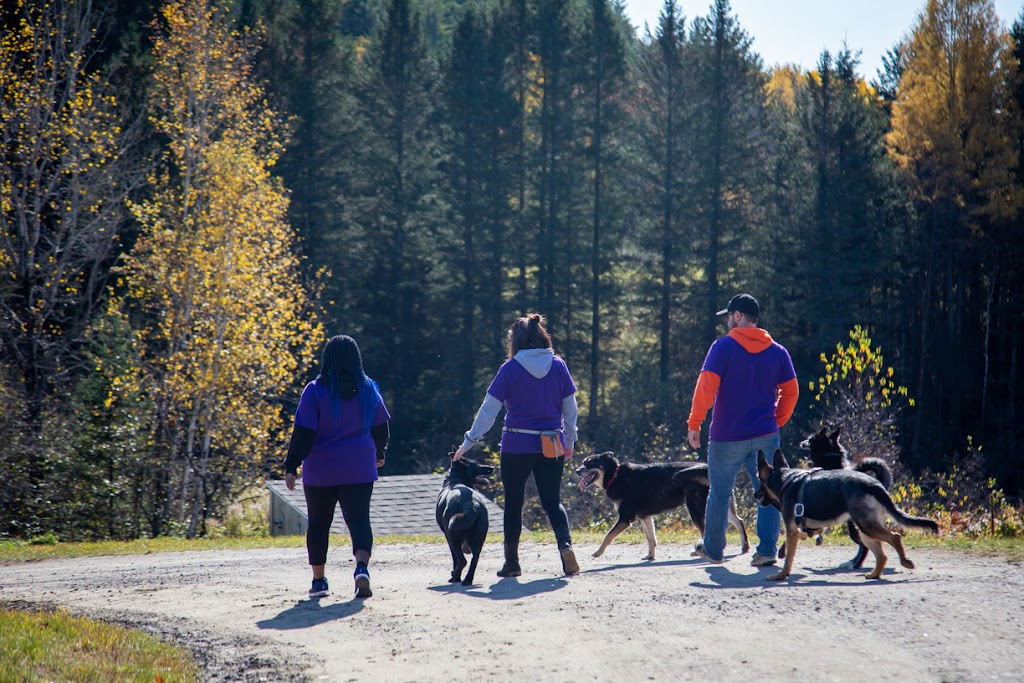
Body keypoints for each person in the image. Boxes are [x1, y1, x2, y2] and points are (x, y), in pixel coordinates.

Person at [453, 313, 580, 577]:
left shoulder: (509, 369)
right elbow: (571, 408)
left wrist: (469, 441)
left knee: (513, 503)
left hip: (516, 444)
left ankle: (512, 563)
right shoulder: (559, 366)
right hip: (552, 443)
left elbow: (488, 410)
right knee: (552, 501)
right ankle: (565, 545)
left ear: (516, 342)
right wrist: (569, 440)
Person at [686, 294, 798, 566]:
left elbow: (706, 388)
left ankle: (714, 550)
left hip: (727, 436)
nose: (726, 321)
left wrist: (695, 422)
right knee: (769, 492)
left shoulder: (722, 348)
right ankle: (767, 551)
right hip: (765, 434)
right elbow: (791, 391)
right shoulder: (777, 351)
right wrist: (777, 420)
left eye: (728, 316)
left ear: (738, 316)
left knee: (720, 493)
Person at [284, 335, 390, 598]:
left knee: (319, 524)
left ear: (326, 359)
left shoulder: (315, 390)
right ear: (356, 358)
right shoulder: (368, 389)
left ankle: (319, 582)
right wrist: (380, 451)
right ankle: (362, 568)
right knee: (359, 519)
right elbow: (381, 427)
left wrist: (291, 464)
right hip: (359, 467)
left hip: (321, 470)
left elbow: (303, 432)